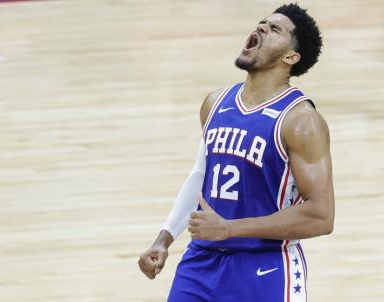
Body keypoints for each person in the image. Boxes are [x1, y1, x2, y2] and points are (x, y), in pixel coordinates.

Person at [138, 3, 334, 302]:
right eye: (262, 23)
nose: (261, 28)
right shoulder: (215, 102)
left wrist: (230, 229)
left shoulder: (301, 121)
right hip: (200, 263)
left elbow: (321, 216)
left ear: (290, 57)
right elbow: (201, 176)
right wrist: (164, 238)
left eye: (275, 29)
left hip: (264, 268)